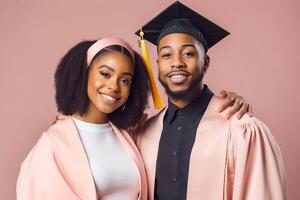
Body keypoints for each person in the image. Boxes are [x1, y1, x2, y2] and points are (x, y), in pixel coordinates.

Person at [16, 37, 248, 200]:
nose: (113, 86)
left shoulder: (130, 134)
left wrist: (230, 101)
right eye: (105, 74)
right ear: (84, 73)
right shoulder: (53, 145)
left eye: (125, 80)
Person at [134, 1, 286, 200]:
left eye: (188, 53)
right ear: (158, 65)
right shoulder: (144, 134)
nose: (176, 62)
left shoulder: (241, 129)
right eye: (166, 55)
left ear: (205, 63)